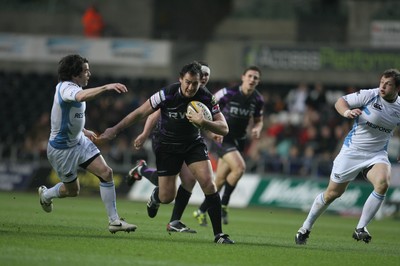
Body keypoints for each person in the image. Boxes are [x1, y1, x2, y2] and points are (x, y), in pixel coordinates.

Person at [98, 61, 234, 244]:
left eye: (195, 83)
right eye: (187, 82)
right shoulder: (166, 94)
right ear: (180, 79)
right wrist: (115, 129)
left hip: (192, 144)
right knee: (166, 196)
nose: (191, 87)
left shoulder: (206, 97)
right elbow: (140, 112)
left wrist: (205, 123)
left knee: (208, 183)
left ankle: (219, 235)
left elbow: (224, 128)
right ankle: (149, 181)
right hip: (167, 145)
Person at [295, 68, 400, 245]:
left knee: (383, 183)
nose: (382, 86)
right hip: (352, 152)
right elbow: (340, 101)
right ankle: (305, 227)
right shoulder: (370, 95)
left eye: (388, 84)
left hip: (376, 154)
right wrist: (347, 112)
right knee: (332, 194)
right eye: (381, 82)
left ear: (397, 88)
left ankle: (361, 228)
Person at [38, 54, 137, 234]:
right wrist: (106, 87)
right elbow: (80, 97)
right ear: (75, 74)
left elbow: (66, 117)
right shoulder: (65, 87)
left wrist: (83, 131)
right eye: (86, 70)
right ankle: (46, 195)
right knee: (72, 191)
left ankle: (114, 221)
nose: (89, 74)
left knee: (106, 173)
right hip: (62, 150)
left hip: (79, 141)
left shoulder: (72, 87)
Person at [128, 63, 216, 233]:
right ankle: (144, 171)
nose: (204, 77)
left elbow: (200, 125)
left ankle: (174, 221)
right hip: (165, 139)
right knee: (169, 186)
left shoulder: (203, 96)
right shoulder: (176, 92)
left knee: (189, 180)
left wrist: (213, 134)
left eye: (207, 75)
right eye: (202, 74)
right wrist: (145, 133)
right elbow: (155, 113)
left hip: (186, 142)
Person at [193, 66, 264, 226]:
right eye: (250, 76)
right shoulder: (227, 93)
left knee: (219, 181)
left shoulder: (258, 99)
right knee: (239, 168)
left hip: (239, 140)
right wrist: (210, 130)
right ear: (243, 77)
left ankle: (200, 211)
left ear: (258, 81)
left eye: (256, 78)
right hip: (222, 138)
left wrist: (257, 128)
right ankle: (224, 204)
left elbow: (259, 120)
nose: (252, 79)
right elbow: (207, 107)